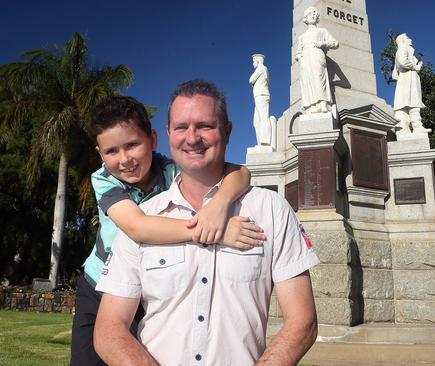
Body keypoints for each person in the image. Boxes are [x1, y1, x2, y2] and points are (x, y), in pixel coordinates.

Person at [94, 80, 319, 366]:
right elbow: (108, 329)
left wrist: (221, 204)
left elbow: (303, 322)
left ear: (227, 131)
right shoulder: (141, 217)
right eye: (181, 127)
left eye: (204, 126)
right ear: (167, 134)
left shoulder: (271, 210)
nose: (192, 138)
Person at [71, 95, 266, 366]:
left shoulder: (171, 168)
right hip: (100, 287)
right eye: (111, 151)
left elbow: (241, 173)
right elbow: (137, 227)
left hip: (150, 288)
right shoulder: (103, 179)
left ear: (152, 140)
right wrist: (216, 231)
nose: (124, 159)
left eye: (132, 145)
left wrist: (220, 205)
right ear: (100, 154)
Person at [295, 6, 339, 115]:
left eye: (315, 14)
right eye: (311, 14)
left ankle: (323, 103)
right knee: (308, 82)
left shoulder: (322, 31)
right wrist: (300, 58)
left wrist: (323, 43)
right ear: (306, 18)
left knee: (319, 77)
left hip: (317, 55)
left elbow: (335, 43)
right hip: (305, 59)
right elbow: (298, 52)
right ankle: (311, 107)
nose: (313, 16)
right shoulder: (302, 37)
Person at [392, 33, 431, 134]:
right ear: (403, 41)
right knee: (413, 102)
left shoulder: (404, 49)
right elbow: (402, 62)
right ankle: (416, 126)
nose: (410, 39)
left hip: (406, 78)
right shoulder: (403, 48)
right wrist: (415, 67)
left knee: (409, 102)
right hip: (407, 79)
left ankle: (409, 127)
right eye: (408, 38)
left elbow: (394, 75)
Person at [249, 54, 271, 146]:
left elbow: (250, 80)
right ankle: (260, 141)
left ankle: (265, 141)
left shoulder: (261, 68)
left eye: (254, 61)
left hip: (261, 94)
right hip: (259, 95)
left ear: (258, 61)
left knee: (263, 118)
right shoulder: (262, 69)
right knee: (256, 121)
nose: (253, 63)